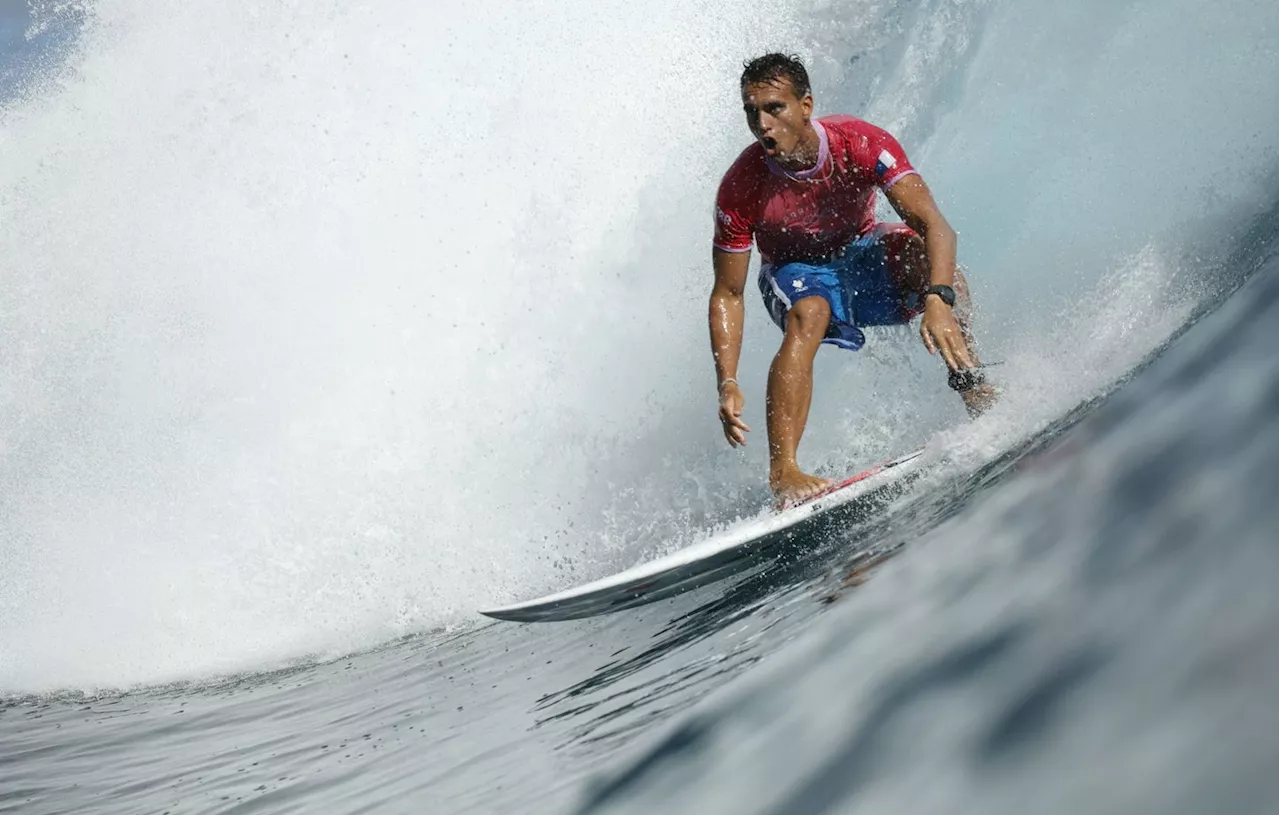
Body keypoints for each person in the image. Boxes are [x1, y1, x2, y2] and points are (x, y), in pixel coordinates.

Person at [708, 53, 997, 504]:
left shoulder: (860, 144)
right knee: (811, 310)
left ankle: (974, 390)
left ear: (806, 105)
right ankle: (785, 473)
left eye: (774, 108)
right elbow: (728, 292)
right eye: (752, 112)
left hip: (861, 256)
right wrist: (727, 380)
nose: (762, 123)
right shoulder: (741, 186)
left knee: (940, 269)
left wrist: (937, 300)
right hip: (792, 272)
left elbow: (935, 225)